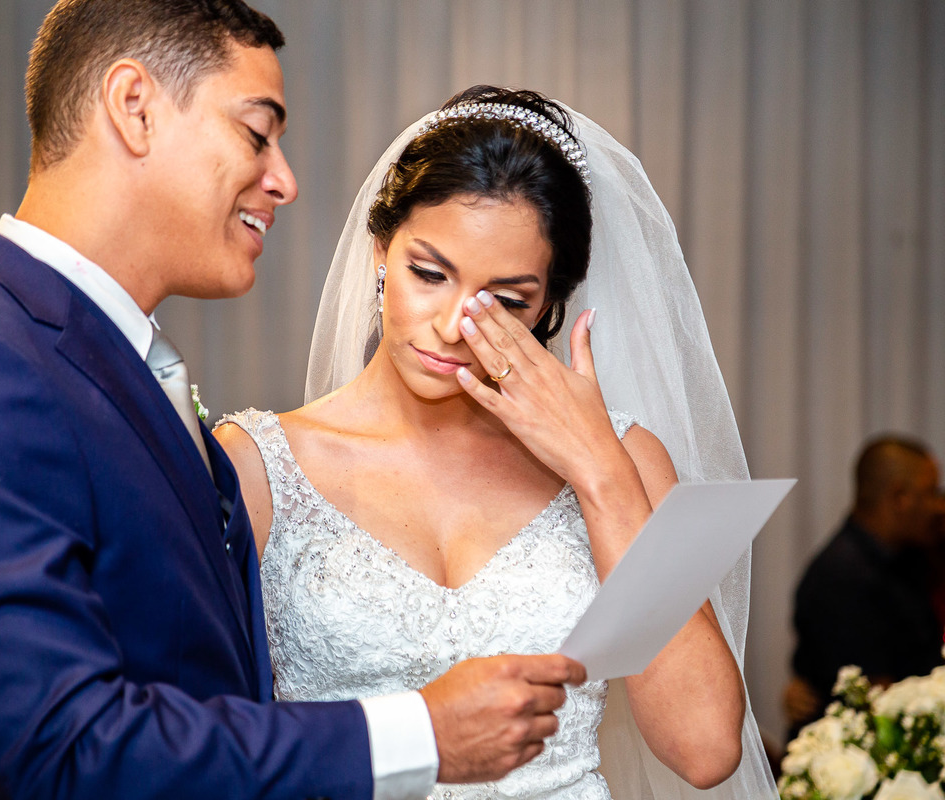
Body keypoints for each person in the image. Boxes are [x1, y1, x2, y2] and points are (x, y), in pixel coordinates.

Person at [0, 4, 587, 799]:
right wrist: (416, 735)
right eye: (258, 134)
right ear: (134, 107)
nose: (284, 180)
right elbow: (64, 754)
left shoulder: (115, 365)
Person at [217, 86, 778, 799]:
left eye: (506, 300)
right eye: (429, 273)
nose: (455, 323)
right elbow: (206, 739)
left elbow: (705, 748)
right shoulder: (257, 466)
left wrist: (599, 470)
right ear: (383, 250)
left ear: (549, 304)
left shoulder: (625, 461)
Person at [788, 435, 945, 738]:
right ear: (900, 497)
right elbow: (881, 699)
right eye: (931, 492)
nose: (939, 506)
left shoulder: (909, 555)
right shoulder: (842, 578)